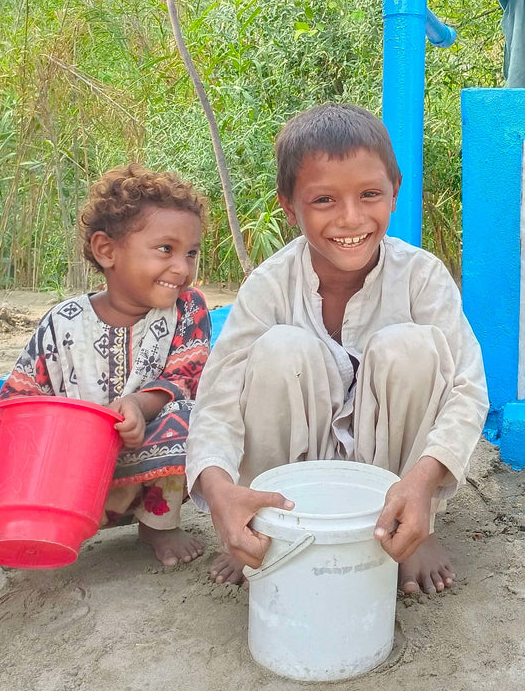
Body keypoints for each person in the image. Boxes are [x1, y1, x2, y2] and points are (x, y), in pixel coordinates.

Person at [187, 103, 489, 594]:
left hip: (391, 477)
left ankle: (414, 526)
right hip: (293, 480)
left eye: (369, 194)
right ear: (290, 207)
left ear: (395, 194)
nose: (351, 218)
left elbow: (468, 389)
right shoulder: (269, 285)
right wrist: (220, 492)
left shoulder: (421, 276)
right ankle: (263, 524)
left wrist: (424, 482)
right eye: (324, 200)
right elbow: (217, 401)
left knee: (412, 349)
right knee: (281, 351)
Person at [0, 164, 211, 567]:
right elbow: (23, 390)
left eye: (191, 253)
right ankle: (21, 526)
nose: (182, 268)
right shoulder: (63, 321)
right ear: (106, 250)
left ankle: (157, 526)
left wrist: (141, 405)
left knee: (187, 415)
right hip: (67, 475)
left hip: (145, 465)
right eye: (166, 249)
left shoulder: (187, 310)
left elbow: (187, 374)